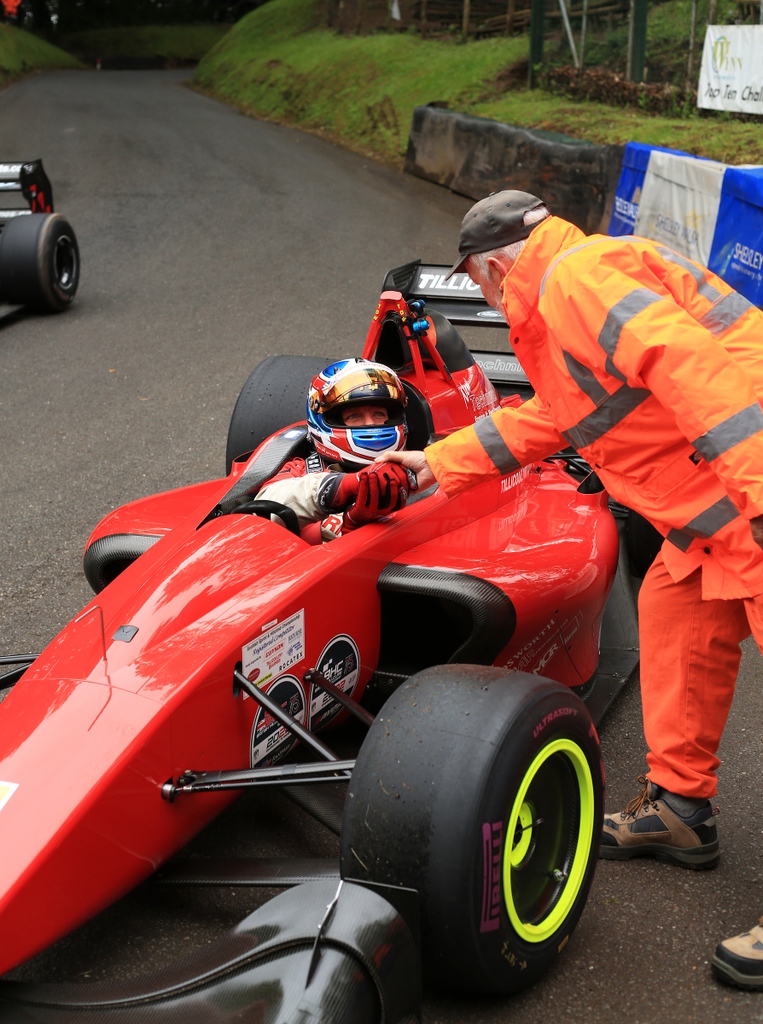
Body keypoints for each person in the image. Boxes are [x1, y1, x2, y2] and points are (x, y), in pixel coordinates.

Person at [381, 189, 763, 989]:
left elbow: (689, 368)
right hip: (714, 512)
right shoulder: (566, 295)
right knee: (672, 610)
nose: (482, 297)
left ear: (488, 269)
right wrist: (434, 464)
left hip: (747, 491)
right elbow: (553, 419)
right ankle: (680, 811)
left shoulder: (573, 280)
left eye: (477, 284)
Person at [256, 357, 413, 542]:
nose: (370, 424)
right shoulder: (300, 470)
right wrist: (342, 489)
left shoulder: (419, 467)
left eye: (379, 414)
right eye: (354, 416)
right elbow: (261, 515)